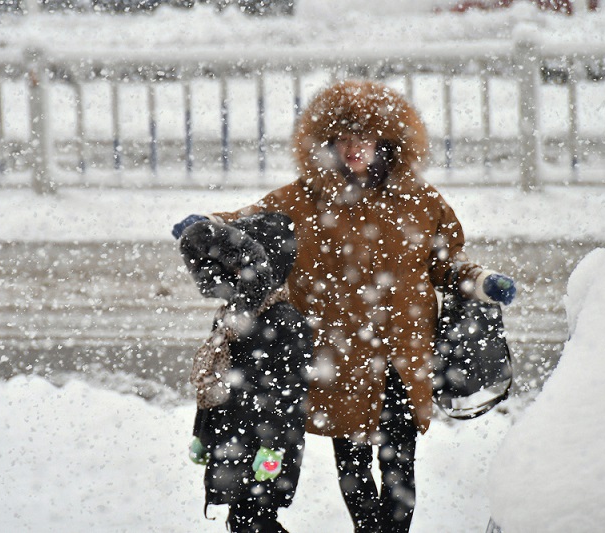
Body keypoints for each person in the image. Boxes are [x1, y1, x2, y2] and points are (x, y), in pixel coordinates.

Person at [173, 80, 516, 533]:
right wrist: (206, 225)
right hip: (341, 360)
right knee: (353, 466)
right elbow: (249, 223)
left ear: (388, 142)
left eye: (366, 138)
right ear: (327, 143)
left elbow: (445, 264)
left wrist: (480, 282)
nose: (355, 148)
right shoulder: (302, 199)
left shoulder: (419, 201)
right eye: (344, 138)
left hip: (403, 356)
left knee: (400, 464)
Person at [178, 212, 312, 532]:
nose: (230, 277)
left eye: (237, 269)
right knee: (242, 521)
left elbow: (289, 392)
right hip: (231, 440)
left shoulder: (283, 319)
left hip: (262, 446)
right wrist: (202, 433)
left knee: (254, 521)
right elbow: (216, 382)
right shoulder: (231, 317)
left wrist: (273, 445)